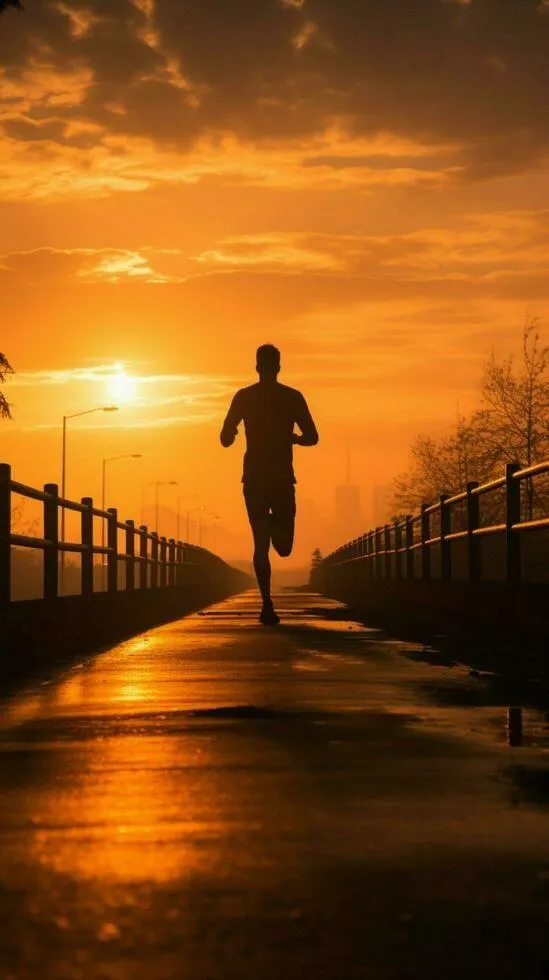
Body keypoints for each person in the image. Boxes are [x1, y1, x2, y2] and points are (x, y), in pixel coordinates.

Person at [220, 344, 319, 625]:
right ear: (278, 366)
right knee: (269, 544)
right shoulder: (291, 397)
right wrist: (295, 439)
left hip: (259, 479)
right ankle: (266, 605)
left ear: (257, 366)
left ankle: (271, 527)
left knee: (272, 544)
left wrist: (233, 433)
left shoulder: (245, 398)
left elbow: (224, 439)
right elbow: (313, 436)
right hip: (274, 479)